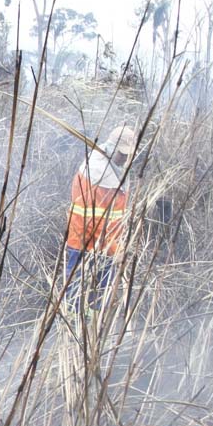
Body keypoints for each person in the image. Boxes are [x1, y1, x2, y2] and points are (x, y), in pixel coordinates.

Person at [64, 125, 137, 317]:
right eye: (122, 154)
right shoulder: (97, 171)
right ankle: (72, 322)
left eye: (127, 154)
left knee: (101, 293)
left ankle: (94, 321)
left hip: (106, 244)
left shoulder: (113, 167)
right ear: (111, 147)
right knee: (75, 288)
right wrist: (116, 249)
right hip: (84, 241)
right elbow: (96, 222)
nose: (125, 158)